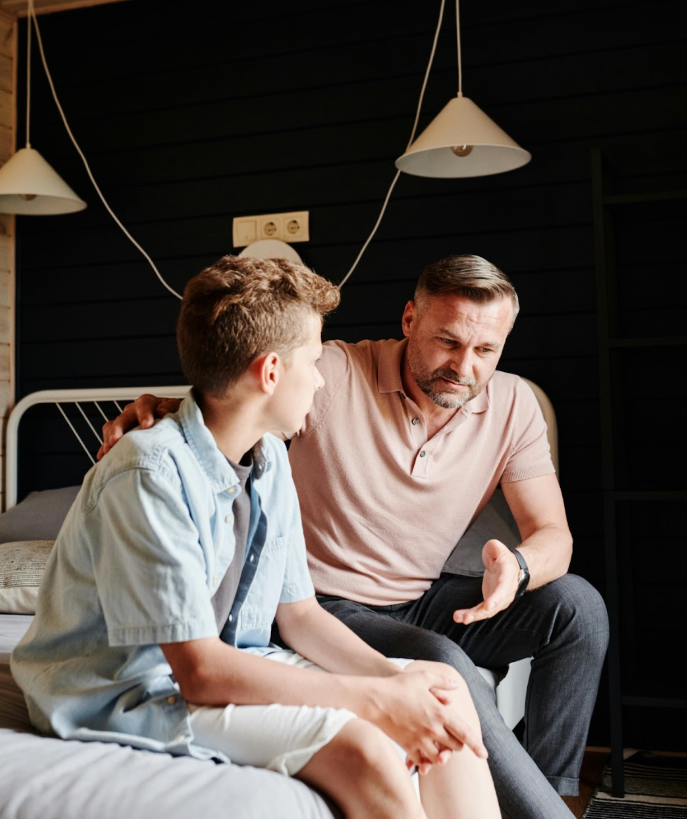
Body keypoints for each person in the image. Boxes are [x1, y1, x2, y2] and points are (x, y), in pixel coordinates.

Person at [98, 254, 610, 819]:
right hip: (331, 603)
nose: (463, 366)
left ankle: (549, 793)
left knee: (578, 608)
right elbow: (240, 397)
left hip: (420, 597)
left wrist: (517, 566)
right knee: (443, 666)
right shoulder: (333, 373)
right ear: (410, 319)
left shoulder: (514, 404)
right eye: (447, 342)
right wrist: (166, 410)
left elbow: (553, 536)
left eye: (486, 350)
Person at [12, 255, 502, 819]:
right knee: (364, 748)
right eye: (314, 362)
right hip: (128, 690)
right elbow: (198, 671)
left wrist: (399, 681)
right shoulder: (147, 473)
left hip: (234, 662)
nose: (320, 380)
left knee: (439, 683)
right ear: (270, 372)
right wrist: (376, 699)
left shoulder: (269, 456)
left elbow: (299, 615)